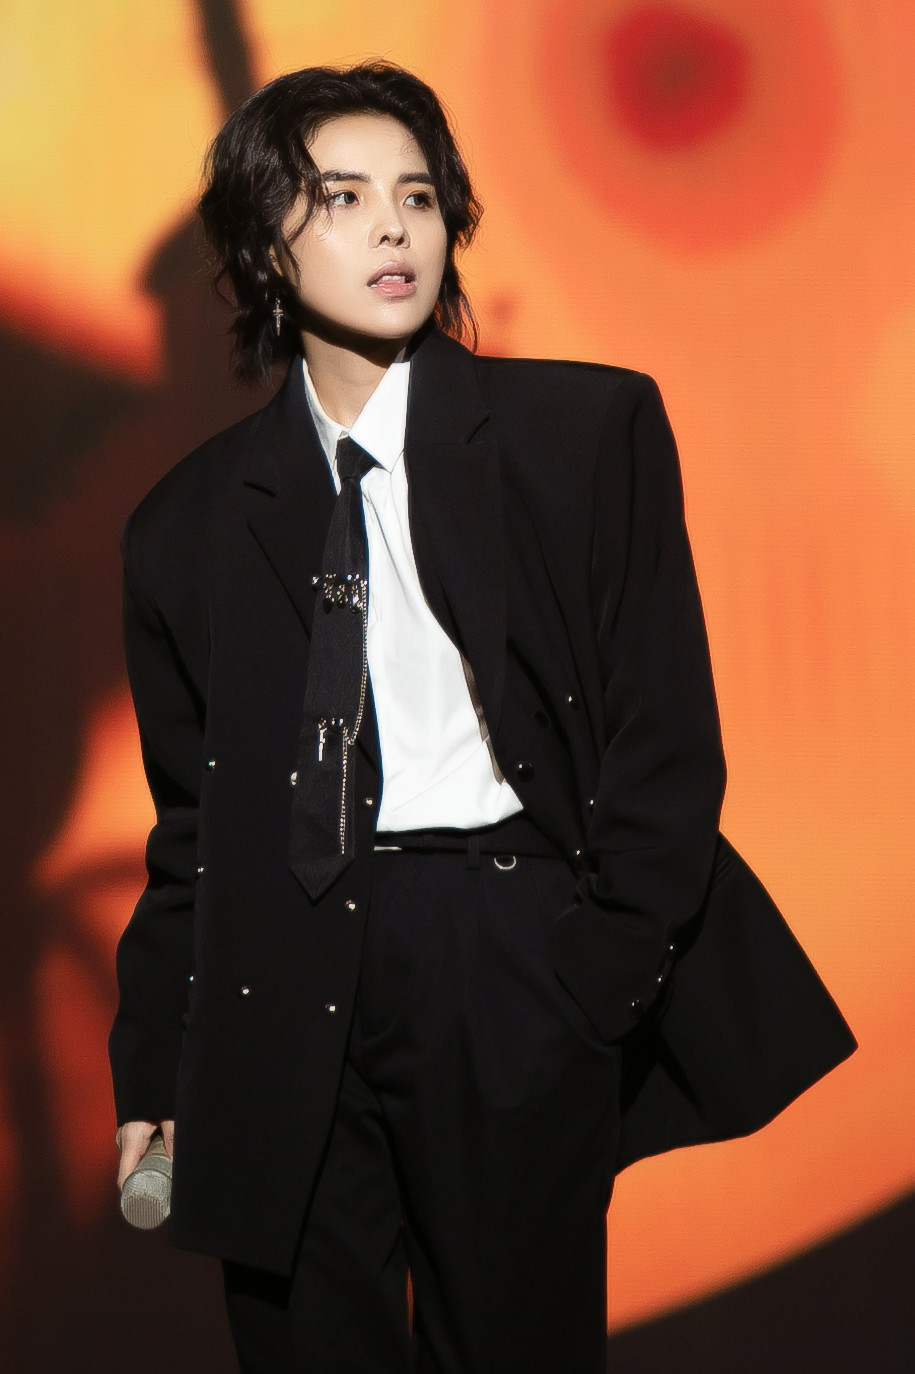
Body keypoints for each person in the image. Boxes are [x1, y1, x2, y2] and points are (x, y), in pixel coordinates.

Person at [110, 59, 856, 1374]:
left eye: (418, 195)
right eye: (343, 197)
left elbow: (665, 743)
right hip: (279, 972)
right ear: (265, 249)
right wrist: (156, 1071)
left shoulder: (583, 433)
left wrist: (590, 977)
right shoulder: (186, 526)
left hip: (505, 952)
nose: (394, 227)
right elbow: (195, 834)